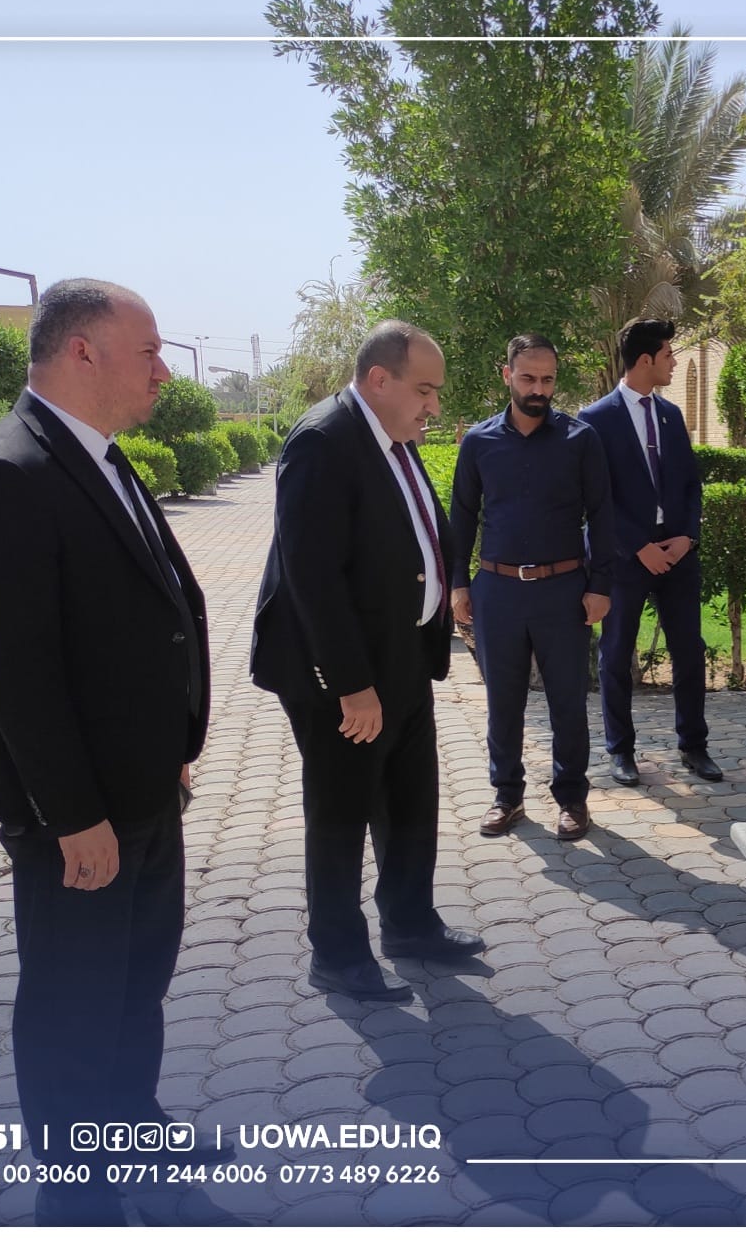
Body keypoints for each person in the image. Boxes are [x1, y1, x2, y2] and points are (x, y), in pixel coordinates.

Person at [0, 279, 216, 1225]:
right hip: (82, 817)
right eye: (149, 351)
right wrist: (74, 816)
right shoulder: (5, 473)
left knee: (137, 984)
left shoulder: (99, 456)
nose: (163, 370)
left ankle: (131, 1132)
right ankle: (76, 1198)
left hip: (145, 791)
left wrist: (172, 746)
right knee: (73, 1006)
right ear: (83, 351)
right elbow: (19, 674)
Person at [250, 320, 485, 1006]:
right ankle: (338, 954)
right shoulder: (324, 441)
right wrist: (352, 686)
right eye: (425, 390)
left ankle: (410, 924)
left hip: (402, 656)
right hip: (342, 674)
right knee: (341, 811)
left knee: (411, 799)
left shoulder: (392, 437)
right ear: (379, 379)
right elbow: (312, 577)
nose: (433, 406)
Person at [449, 334, 617, 840]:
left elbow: (603, 515)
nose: (538, 389)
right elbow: (462, 516)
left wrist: (600, 584)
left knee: (568, 700)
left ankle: (572, 799)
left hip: (563, 590)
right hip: (497, 591)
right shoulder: (479, 442)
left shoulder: (580, 439)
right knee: (503, 702)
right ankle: (507, 796)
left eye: (547, 379)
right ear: (507, 376)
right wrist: (459, 583)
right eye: (528, 378)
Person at [581, 318, 723, 786]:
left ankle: (694, 745)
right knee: (616, 653)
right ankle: (620, 751)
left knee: (689, 650)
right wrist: (638, 546)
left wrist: (687, 537)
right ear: (645, 360)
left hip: (677, 553)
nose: (674, 362)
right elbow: (595, 498)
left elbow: (690, 485)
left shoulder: (671, 415)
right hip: (625, 558)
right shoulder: (594, 419)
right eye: (668, 354)